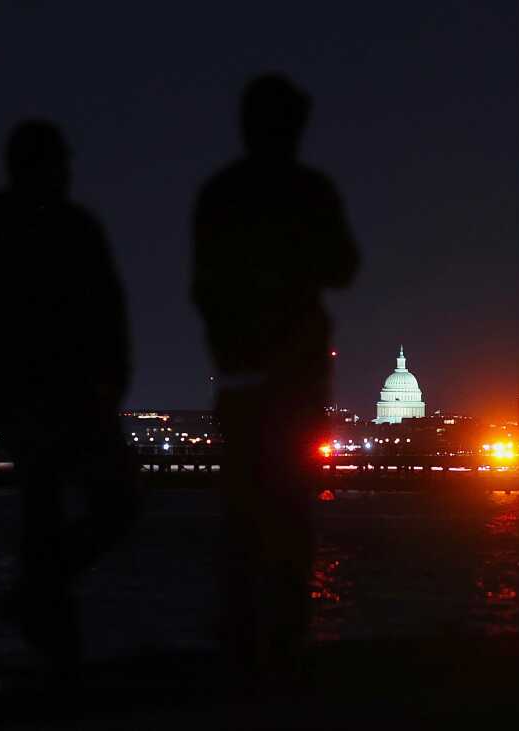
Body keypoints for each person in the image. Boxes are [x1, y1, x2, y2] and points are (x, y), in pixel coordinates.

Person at [191, 73, 359, 678]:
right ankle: (286, 637)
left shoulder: (221, 193)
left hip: (242, 376)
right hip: (296, 375)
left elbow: (203, 286)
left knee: (242, 510)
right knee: (290, 509)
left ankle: (240, 637)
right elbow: (344, 266)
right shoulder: (310, 191)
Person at [0, 120, 139, 671]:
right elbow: (110, 312)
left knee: (42, 515)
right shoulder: (74, 229)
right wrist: (112, 382)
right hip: (71, 396)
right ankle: (50, 626)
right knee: (111, 507)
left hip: (31, 398)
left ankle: (43, 617)